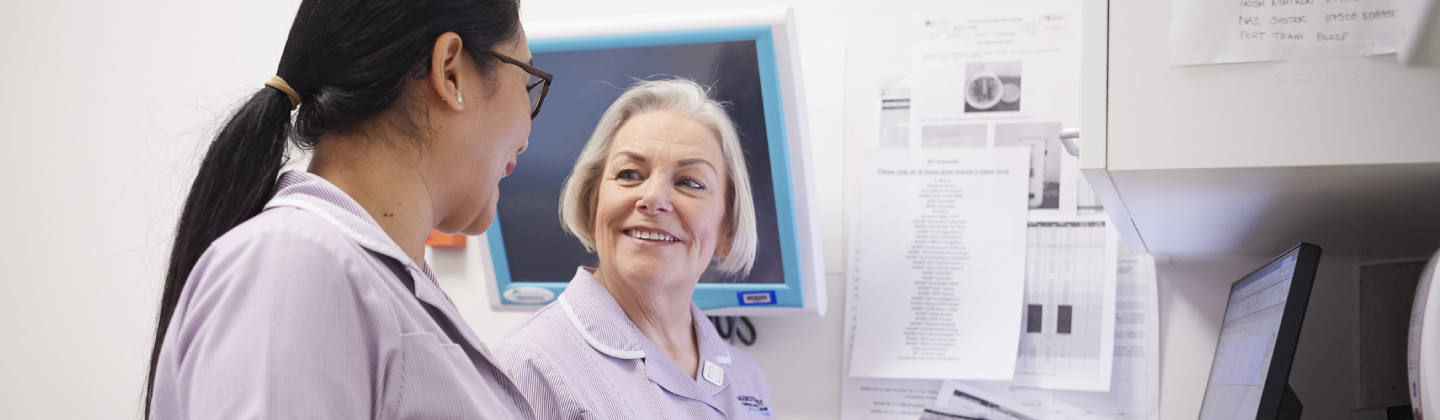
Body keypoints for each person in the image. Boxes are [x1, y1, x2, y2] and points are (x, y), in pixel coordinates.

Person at [144, 0, 552, 418]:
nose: (526, 137)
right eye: (527, 84)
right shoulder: (294, 262)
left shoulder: (364, 276)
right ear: (450, 71)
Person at [497, 79, 775, 419]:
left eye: (690, 182)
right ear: (593, 201)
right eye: (629, 174)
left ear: (727, 228)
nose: (653, 198)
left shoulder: (746, 377)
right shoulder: (529, 365)